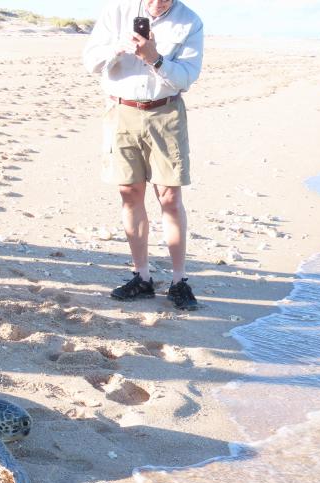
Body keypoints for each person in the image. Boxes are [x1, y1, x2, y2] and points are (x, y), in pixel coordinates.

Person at [83, 0, 203, 310]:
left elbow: (187, 77)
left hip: (166, 113)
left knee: (170, 198)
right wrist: (118, 48)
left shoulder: (190, 21)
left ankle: (179, 281)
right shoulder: (116, 11)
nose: (156, 3)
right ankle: (142, 277)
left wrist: (155, 59)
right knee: (130, 193)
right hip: (121, 110)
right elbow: (91, 61)